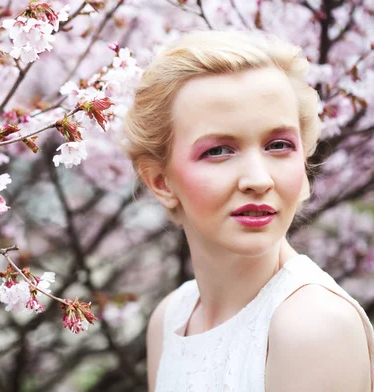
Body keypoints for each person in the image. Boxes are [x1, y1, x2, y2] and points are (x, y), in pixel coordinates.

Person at [122, 30, 374, 391]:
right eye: (219, 151)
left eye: (278, 145)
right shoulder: (171, 317)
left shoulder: (313, 327)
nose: (258, 180)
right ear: (161, 182)